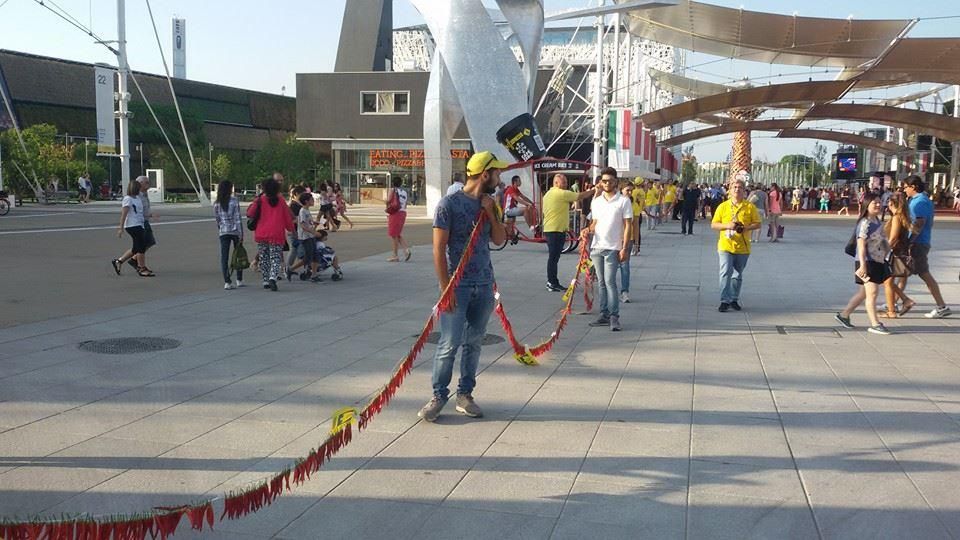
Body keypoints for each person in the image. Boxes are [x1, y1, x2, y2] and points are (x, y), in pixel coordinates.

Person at [419, 151, 507, 422]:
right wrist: (446, 287)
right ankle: (438, 395)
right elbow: (438, 248)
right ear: (485, 174)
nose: (499, 178)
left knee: (474, 342)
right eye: (496, 173)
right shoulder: (448, 205)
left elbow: (499, 239)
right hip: (457, 285)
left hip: (483, 283)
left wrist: (491, 213)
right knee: (449, 343)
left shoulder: (490, 203)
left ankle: (465, 394)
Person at [582, 167, 632, 331]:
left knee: (610, 282)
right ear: (600, 182)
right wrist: (587, 230)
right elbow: (595, 222)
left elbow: (628, 225)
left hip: (613, 247)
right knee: (601, 282)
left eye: (610, 181)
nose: (607, 183)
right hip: (597, 247)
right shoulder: (596, 201)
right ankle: (603, 314)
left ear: (616, 182)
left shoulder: (623, 201)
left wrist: (625, 248)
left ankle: (614, 316)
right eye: (604, 181)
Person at [834, 193, 892, 335]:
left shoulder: (877, 220)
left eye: (879, 202)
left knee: (863, 293)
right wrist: (862, 265)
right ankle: (875, 324)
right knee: (872, 292)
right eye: (874, 203)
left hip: (876, 260)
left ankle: (844, 315)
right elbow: (861, 245)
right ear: (867, 205)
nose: (878, 205)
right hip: (866, 262)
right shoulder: (865, 222)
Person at [903, 176, 952, 318]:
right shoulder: (918, 200)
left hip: (918, 243)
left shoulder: (920, 202)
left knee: (924, 273)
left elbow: (920, 222)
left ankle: (941, 306)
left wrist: (910, 242)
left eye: (906, 187)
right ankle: (893, 302)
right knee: (901, 273)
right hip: (919, 241)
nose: (904, 190)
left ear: (913, 187)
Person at [710, 177, 761, 312]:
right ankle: (724, 300)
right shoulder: (723, 206)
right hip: (726, 245)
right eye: (735, 188)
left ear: (744, 191)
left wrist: (746, 227)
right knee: (725, 272)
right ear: (730, 191)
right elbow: (714, 224)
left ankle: (734, 299)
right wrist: (728, 225)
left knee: (737, 275)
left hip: (743, 247)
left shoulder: (749, 207)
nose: (737, 190)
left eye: (740, 188)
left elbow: (758, 223)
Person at [542, 173, 595, 292]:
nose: (566, 185)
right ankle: (551, 282)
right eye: (564, 182)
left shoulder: (548, 194)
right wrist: (593, 190)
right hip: (555, 230)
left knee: (554, 257)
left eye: (566, 182)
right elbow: (579, 196)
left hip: (552, 229)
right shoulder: (560, 193)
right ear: (556, 183)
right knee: (553, 257)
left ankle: (554, 281)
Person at [247, 177, 294, 291]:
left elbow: (250, 213)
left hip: (261, 233)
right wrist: (291, 229)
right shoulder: (281, 200)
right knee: (275, 257)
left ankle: (265, 280)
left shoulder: (260, 200)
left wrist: (256, 200)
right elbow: (287, 217)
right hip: (276, 233)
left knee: (264, 257)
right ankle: (273, 276)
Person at [880, 192, 915, 318]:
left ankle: (892, 311)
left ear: (891, 203)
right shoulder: (903, 216)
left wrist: (884, 251)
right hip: (900, 252)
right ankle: (905, 301)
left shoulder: (896, 217)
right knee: (887, 281)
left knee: (887, 281)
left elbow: (894, 238)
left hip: (894, 253)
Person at [111, 179, 154, 277]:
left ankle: (119, 261)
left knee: (136, 248)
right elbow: (124, 214)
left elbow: (140, 213)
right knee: (141, 247)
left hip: (140, 224)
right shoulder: (128, 199)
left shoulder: (137, 198)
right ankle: (141, 268)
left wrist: (150, 215)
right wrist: (121, 228)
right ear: (135, 188)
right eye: (139, 187)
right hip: (132, 225)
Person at [214, 180, 245, 290]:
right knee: (238, 255)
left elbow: (217, 219)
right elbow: (238, 218)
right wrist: (241, 233)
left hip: (223, 231)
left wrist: (221, 228)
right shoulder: (234, 201)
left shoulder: (217, 203)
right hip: (235, 231)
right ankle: (239, 279)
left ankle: (227, 281)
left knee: (224, 257)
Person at [385, 177, 411, 262]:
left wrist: (387, 202)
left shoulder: (393, 190)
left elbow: (388, 200)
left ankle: (395, 255)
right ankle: (406, 250)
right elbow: (405, 204)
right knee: (397, 234)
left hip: (395, 213)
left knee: (393, 235)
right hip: (403, 213)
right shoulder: (404, 192)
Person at [619, 182, 636, 303]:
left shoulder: (632, 204)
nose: (629, 193)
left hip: (627, 240)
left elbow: (635, 225)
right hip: (614, 239)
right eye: (627, 190)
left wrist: (636, 241)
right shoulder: (615, 203)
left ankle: (625, 292)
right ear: (621, 190)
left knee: (625, 267)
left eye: (631, 191)